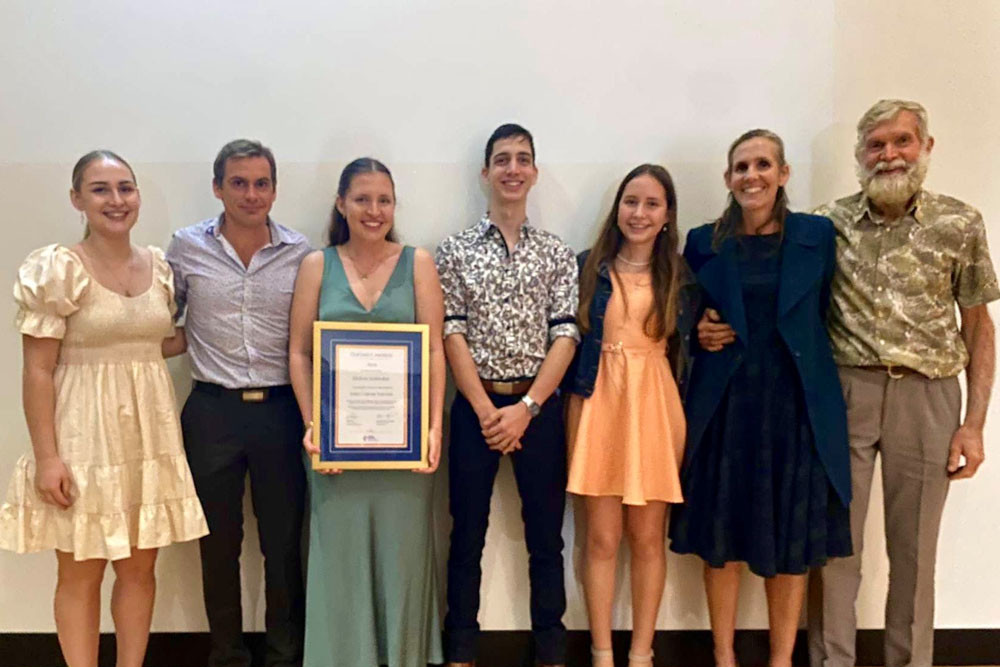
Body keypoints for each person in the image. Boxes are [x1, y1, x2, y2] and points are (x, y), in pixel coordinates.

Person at [802, 100, 998, 667]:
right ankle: (832, 659)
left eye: (902, 141)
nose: (889, 155)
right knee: (837, 546)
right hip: (846, 393)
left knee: (914, 551)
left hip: (929, 394)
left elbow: (979, 325)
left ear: (926, 148)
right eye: (876, 144)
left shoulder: (959, 223)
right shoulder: (826, 225)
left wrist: (975, 425)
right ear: (860, 156)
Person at [0, 150, 208, 667]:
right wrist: (47, 458)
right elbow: (38, 370)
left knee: (140, 570)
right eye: (100, 189)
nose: (116, 200)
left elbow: (155, 342)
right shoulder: (57, 268)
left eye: (126, 188)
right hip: (81, 437)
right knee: (80, 572)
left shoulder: (159, 266)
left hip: (148, 436)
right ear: (77, 199)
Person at [669, 129, 852, 667]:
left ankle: (779, 660)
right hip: (726, 407)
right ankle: (724, 656)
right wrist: (698, 331)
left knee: (792, 545)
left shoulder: (818, 236)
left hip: (796, 408)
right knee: (721, 539)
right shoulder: (705, 242)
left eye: (763, 165)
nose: (752, 175)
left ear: (783, 174)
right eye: (741, 167)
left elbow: (828, 311)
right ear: (728, 179)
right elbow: (685, 316)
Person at [287, 157, 445, 667]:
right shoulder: (317, 265)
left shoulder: (418, 263)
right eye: (362, 199)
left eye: (384, 200)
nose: (373, 211)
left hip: (404, 453)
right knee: (342, 564)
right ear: (341, 203)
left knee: (402, 562)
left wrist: (434, 426)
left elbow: (437, 350)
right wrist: (315, 427)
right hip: (337, 452)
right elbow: (299, 353)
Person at [435, 123, 579, 667]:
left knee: (546, 540)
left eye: (522, 159)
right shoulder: (453, 252)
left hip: (537, 412)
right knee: (465, 536)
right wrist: (485, 411)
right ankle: (461, 651)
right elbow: (452, 332)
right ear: (486, 173)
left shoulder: (557, 254)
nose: (512, 169)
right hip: (475, 410)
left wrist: (526, 410)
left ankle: (550, 651)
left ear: (535, 172)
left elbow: (565, 334)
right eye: (502, 159)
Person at [166, 139, 310, 667]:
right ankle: (225, 654)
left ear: (275, 188)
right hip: (212, 413)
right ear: (217, 187)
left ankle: (284, 653)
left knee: (284, 542)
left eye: (262, 183)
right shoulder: (185, 247)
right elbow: (164, 323)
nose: (252, 194)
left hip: (280, 410)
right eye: (239, 183)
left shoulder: (301, 251)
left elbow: (318, 336)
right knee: (218, 545)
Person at [565, 164, 690, 667]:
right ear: (617, 208)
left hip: (655, 405)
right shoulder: (587, 268)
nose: (639, 213)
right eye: (631, 201)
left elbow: (701, 339)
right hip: (598, 401)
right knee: (600, 536)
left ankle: (641, 652)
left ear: (666, 215)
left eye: (651, 204)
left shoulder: (681, 275)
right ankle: (600, 651)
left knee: (646, 537)